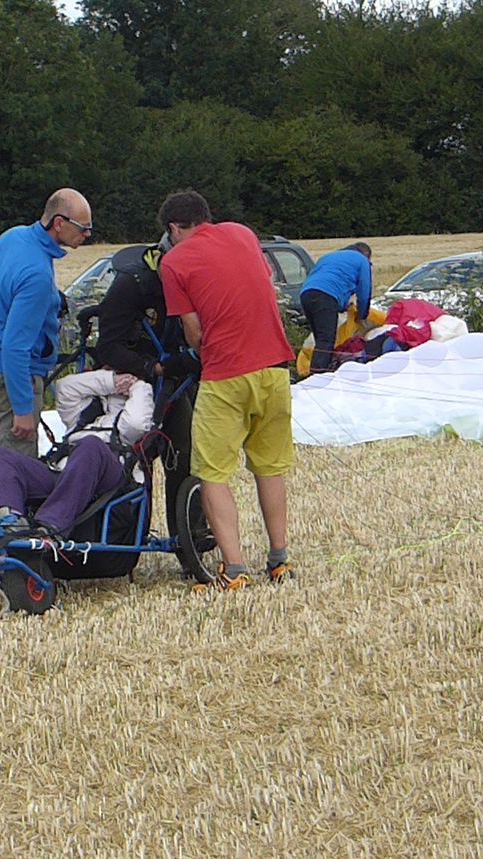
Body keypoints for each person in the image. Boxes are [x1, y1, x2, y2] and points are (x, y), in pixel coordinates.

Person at [0, 188, 93, 583]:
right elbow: (15, 346)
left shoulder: (13, 237)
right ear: (59, 223)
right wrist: (22, 409)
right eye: (83, 228)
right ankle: (12, 565)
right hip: (9, 375)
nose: (88, 236)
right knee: (14, 472)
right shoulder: (35, 273)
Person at [157, 190, 294, 591]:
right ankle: (279, 560)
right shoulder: (242, 233)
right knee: (269, 467)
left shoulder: (173, 261)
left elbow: (193, 330)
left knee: (211, 472)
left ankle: (233, 570)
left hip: (225, 375)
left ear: (172, 228)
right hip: (275, 370)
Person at [91, 234, 200, 570]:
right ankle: (120, 541)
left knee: (182, 453)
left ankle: (191, 542)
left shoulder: (195, 279)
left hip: (175, 380)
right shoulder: (132, 284)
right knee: (131, 460)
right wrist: (150, 368)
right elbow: (107, 347)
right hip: (132, 382)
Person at [0, 369, 152, 537]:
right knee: (0, 456)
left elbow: (136, 424)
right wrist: (111, 382)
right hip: (67, 472)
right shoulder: (87, 409)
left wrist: (137, 384)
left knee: (91, 445)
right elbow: (64, 387)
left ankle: (51, 525)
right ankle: (11, 520)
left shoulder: (135, 410)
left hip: (108, 472)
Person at [298, 242, 373, 373]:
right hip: (326, 295)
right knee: (326, 339)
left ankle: (316, 372)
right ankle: (318, 377)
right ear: (366, 255)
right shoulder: (362, 260)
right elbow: (364, 293)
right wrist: (362, 315)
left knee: (320, 338)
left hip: (306, 294)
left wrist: (342, 306)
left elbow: (330, 279)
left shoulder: (328, 256)